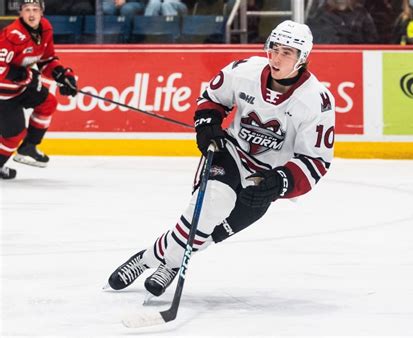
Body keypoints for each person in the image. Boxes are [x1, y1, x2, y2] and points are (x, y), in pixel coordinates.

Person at [106, 20, 336, 297]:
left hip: (265, 178)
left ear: (303, 58)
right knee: (210, 209)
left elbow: (315, 160)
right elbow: (212, 98)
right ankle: (169, 265)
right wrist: (208, 124)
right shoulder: (245, 71)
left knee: (211, 233)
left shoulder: (316, 100)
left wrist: (278, 183)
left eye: (286, 52)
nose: (276, 57)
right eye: (274, 48)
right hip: (230, 156)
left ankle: (148, 257)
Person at [0, 0, 77, 179]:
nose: (32, 14)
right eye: (27, 10)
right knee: (14, 135)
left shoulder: (45, 28)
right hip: (3, 93)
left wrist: (61, 74)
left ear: (42, 12)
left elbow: (46, 60)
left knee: (48, 103)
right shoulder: (12, 35)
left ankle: (29, 146)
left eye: (35, 9)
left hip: (20, 87)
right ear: (20, 13)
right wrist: (26, 77)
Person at [307, 0, 379, 44]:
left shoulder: (361, 15)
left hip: (357, 59)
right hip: (329, 58)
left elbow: (372, 43)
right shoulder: (318, 16)